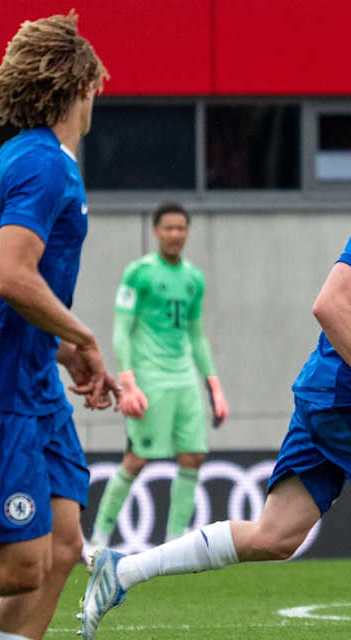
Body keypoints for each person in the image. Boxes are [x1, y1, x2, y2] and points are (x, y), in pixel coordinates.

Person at [77, 89, 351, 640]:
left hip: (330, 395)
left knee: (275, 537)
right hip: (346, 397)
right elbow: (329, 304)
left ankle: (121, 571)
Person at [0, 12, 118, 640]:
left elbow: (20, 290)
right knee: (20, 566)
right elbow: (11, 278)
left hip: (31, 380)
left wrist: (61, 349)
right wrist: (85, 338)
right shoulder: (45, 165)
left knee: (65, 543)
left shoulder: (26, 159)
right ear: (83, 85)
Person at [88, 202, 229, 550]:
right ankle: (98, 541)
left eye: (181, 228)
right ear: (156, 231)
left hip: (184, 379)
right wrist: (128, 383)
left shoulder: (194, 278)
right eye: (169, 228)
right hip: (150, 378)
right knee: (137, 459)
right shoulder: (139, 273)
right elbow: (122, 329)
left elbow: (196, 335)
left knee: (193, 455)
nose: (175, 234)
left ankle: (173, 545)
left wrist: (215, 387)